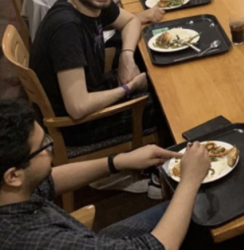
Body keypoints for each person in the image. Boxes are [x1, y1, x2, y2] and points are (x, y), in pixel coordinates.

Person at [0, 99, 213, 250]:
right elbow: (157, 247)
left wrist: (118, 161)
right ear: (13, 176)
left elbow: (49, 181)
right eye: (43, 147)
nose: (50, 148)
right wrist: (189, 180)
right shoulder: (34, 240)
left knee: (193, 207)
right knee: (203, 208)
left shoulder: (12, 192)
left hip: (82, 236)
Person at [30, 0, 154, 147]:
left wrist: (126, 56)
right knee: (170, 102)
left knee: (156, 73)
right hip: (77, 127)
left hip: (94, 93)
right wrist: (128, 88)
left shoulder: (90, 3)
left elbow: (131, 21)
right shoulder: (67, 28)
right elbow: (77, 107)